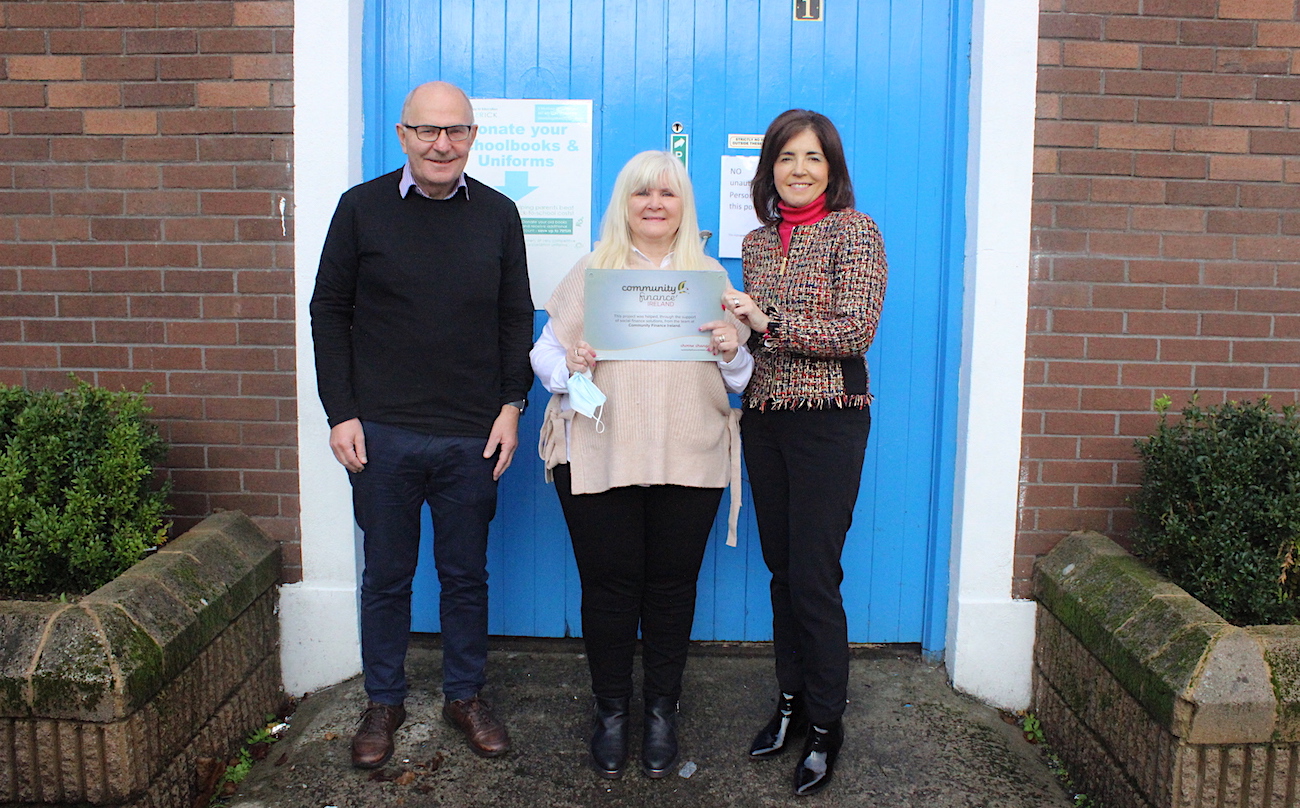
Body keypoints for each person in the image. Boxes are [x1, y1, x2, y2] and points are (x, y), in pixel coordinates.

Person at [310, 81, 534, 769]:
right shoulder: (360, 209)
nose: (442, 144)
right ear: (404, 135)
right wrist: (341, 412)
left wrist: (511, 405)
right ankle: (384, 700)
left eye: (456, 131)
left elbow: (513, 316)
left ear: (472, 136)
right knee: (387, 575)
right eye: (427, 131)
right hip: (383, 433)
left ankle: (464, 694)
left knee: (465, 574)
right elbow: (329, 313)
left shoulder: (499, 214)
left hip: (472, 433)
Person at [530, 151, 751, 780]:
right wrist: (567, 370)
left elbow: (738, 377)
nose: (654, 204)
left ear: (685, 207)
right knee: (608, 587)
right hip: (601, 449)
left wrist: (733, 349)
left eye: (668, 194)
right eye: (640, 194)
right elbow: (542, 352)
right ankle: (611, 713)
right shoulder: (593, 270)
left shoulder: (709, 277)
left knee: (672, 589)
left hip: (689, 452)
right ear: (623, 205)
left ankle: (660, 711)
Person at [727, 109, 887, 797]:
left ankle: (826, 724)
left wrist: (767, 323)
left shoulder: (855, 231)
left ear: (832, 169)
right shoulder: (756, 244)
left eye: (812, 158)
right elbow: (760, 342)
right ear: (770, 170)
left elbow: (855, 332)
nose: (798, 170)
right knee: (781, 570)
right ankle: (790, 701)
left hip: (829, 422)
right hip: (765, 419)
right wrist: (733, 337)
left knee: (815, 578)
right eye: (786, 158)